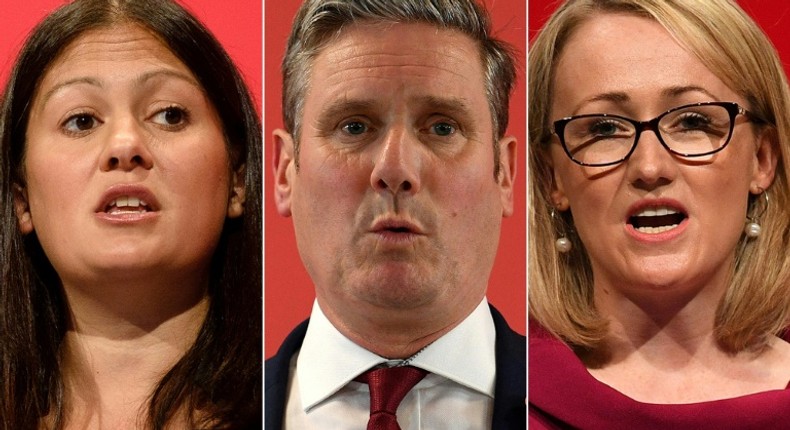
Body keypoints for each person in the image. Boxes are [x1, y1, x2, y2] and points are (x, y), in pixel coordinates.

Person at [0, 0, 262, 428]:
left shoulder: (296, 405)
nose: (125, 145)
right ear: (21, 198)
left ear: (237, 181)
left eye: (169, 115)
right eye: (82, 121)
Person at [528, 0, 790, 428]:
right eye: (604, 128)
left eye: (692, 122)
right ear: (552, 177)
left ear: (762, 160)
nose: (650, 168)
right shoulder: (495, 398)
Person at [266, 0, 525, 428]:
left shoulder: (559, 406)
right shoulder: (221, 412)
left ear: (505, 175)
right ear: (284, 173)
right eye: (354, 126)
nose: (395, 169)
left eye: (442, 127)